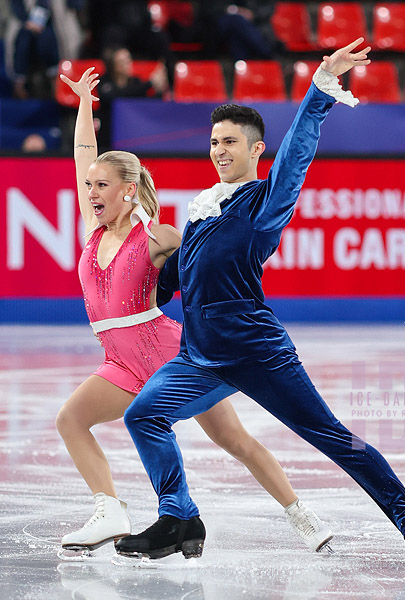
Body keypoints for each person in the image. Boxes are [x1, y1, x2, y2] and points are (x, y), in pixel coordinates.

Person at [116, 38, 405, 565]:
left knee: (334, 440)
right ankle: (178, 516)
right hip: (199, 355)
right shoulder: (202, 211)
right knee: (143, 416)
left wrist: (319, 92)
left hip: (257, 351)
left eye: (230, 141)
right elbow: (170, 287)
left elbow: (296, 151)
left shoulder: (262, 204)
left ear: (255, 150)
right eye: (213, 141)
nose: (219, 150)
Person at [55, 66, 334, 557]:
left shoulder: (158, 236)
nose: (91, 192)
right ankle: (110, 509)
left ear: (127, 190)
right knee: (71, 420)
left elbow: (208, 265)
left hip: (168, 352)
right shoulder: (93, 230)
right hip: (118, 360)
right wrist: (84, 105)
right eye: (90, 186)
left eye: (102, 186)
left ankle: (302, 515)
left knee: (235, 440)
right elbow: (84, 159)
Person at [199, 1, 283, 61]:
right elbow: (207, 9)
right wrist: (230, 9)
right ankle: (268, 52)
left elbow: (268, 8)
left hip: (253, 26)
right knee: (235, 21)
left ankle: (242, 66)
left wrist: (252, 14)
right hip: (217, 26)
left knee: (237, 36)